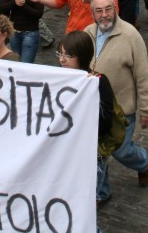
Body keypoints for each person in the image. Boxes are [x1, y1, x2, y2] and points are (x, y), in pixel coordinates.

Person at [84, 0, 148, 202]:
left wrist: (147, 109)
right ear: (92, 13)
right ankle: (102, 192)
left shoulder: (130, 35)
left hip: (123, 109)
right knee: (100, 152)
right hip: (95, 108)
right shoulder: (87, 32)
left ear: (115, 8)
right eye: (99, 10)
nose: (104, 15)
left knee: (121, 150)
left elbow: (143, 75)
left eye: (108, 9)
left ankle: (142, 162)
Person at [56, 30, 120, 211]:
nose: (62, 60)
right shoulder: (57, 77)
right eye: (60, 54)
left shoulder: (98, 82)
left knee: (84, 206)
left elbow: (105, 121)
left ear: (82, 56)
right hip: (70, 145)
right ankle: (104, 192)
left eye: (68, 55)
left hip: (93, 149)